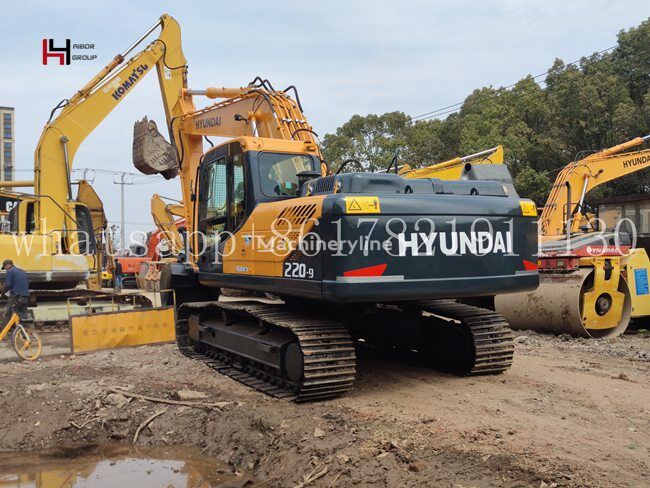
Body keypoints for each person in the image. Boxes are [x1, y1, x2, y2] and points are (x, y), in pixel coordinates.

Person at [1, 259, 29, 324]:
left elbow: (8, 285)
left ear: (8, 265)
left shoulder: (10, 271)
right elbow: (27, 283)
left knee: (8, 314)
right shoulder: (23, 271)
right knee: (22, 316)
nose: (5, 269)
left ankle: (7, 333)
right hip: (25, 296)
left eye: (5, 267)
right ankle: (21, 332)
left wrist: (2, 295)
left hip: (16, 296)